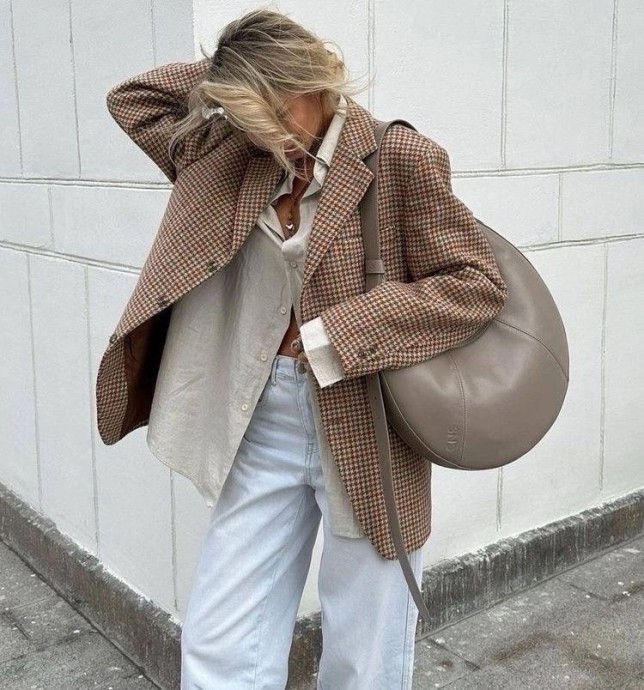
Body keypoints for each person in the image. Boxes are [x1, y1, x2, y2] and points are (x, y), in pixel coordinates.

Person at [96, 8, 508, 689]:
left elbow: (475, 284)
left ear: (318, 80)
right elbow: (133, 101)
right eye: (252, 120)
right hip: (263, 418)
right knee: (220, 642)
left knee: (363, 657)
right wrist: (234, 72)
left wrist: (342, 333)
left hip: (368, 422)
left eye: (280, 113)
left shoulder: (399, 157)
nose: (273, 137)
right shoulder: (227, 153)